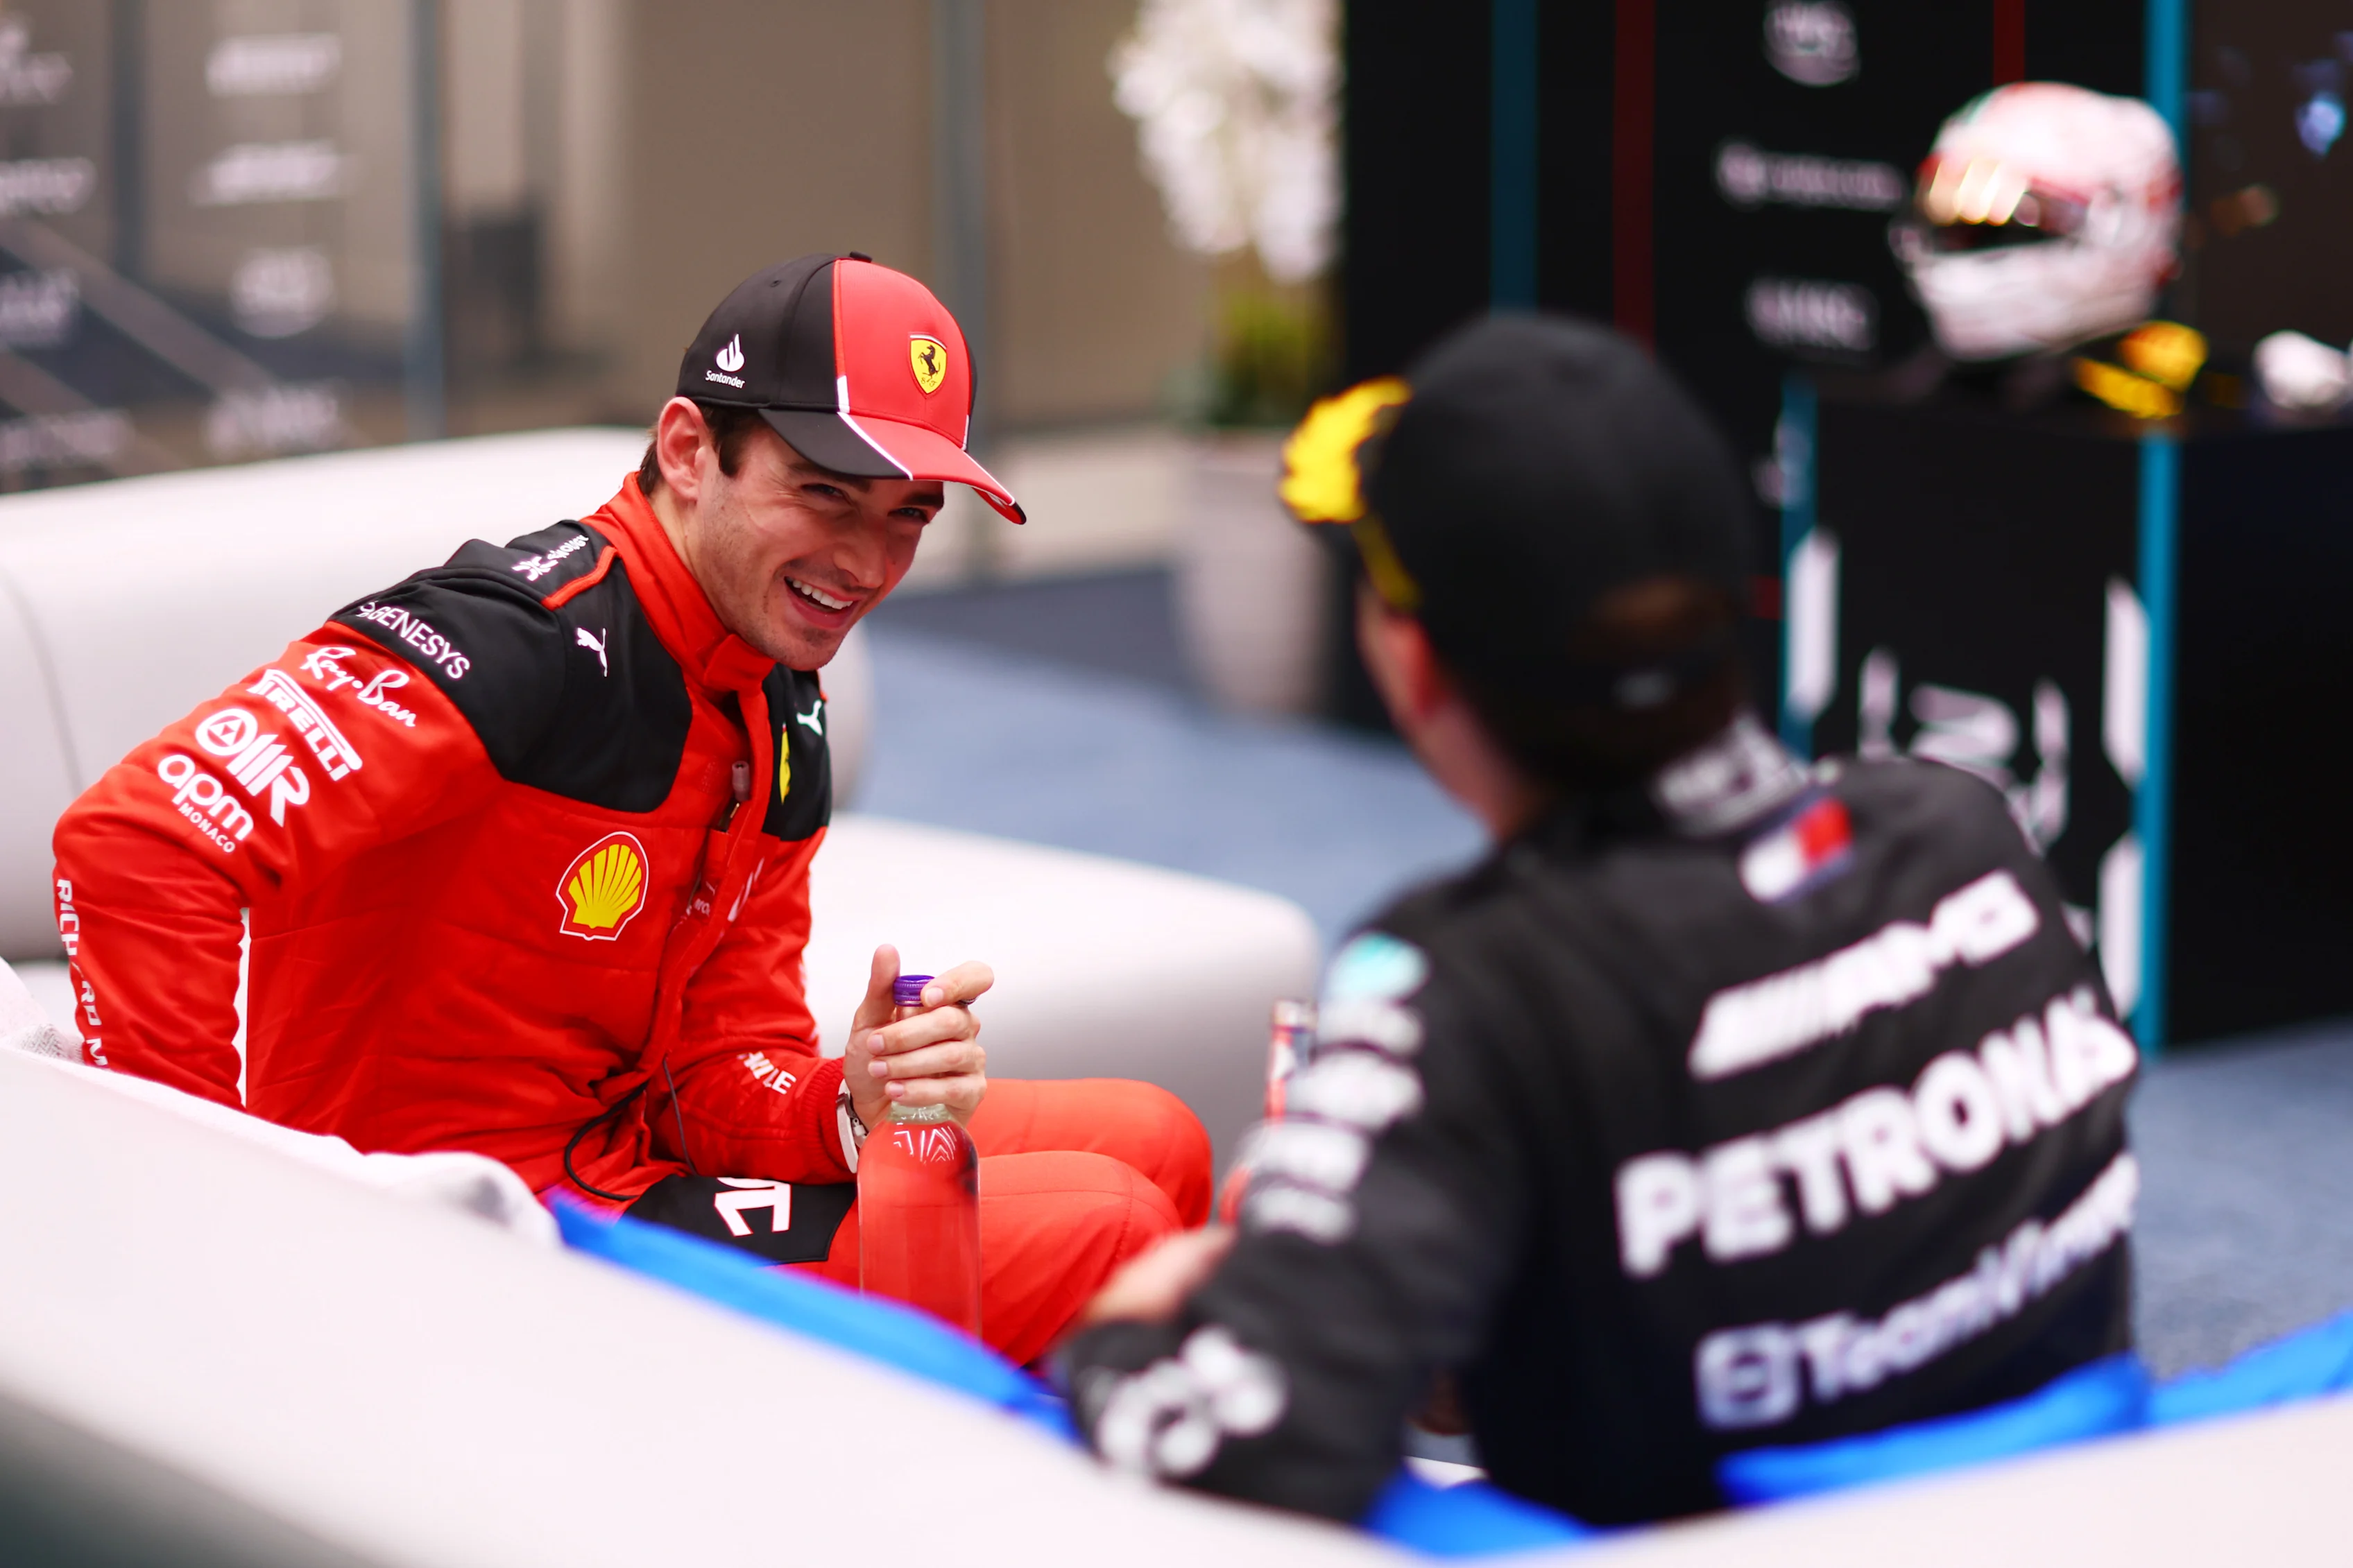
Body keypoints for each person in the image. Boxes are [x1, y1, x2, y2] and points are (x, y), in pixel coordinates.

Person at [1056, 316, 2138, 1524]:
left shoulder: (1457, 986)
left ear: (1415, 664)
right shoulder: (1964, 831)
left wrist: (1121, 1332)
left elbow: (1242, 1433)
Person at [49, 253, 1210, 1366]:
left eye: (909, 514)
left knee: (1159, 1138)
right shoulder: (514, 638)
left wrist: (844, 1103)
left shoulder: (775, 694)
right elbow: (137, 847)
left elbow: (718, 1070)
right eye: (825, 493)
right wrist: (198, 1222)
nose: (866, 561)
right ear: (690, 449)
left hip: (621, 1171)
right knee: (1107, 1222)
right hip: (458, 1214)